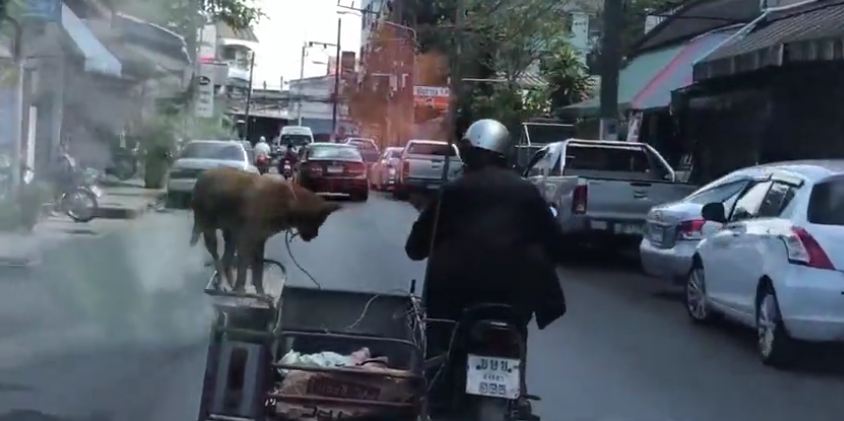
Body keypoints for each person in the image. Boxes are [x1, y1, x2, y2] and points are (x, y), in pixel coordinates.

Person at [405, 119, 567, 414]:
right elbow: (556, 244)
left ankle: (439, 397)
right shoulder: (527, 192)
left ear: (471, 152)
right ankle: (517, 394)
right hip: (515, 301)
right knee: (517, 335)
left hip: (454, 298)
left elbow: (415, 248)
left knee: (438, 355)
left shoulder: (453, 191)